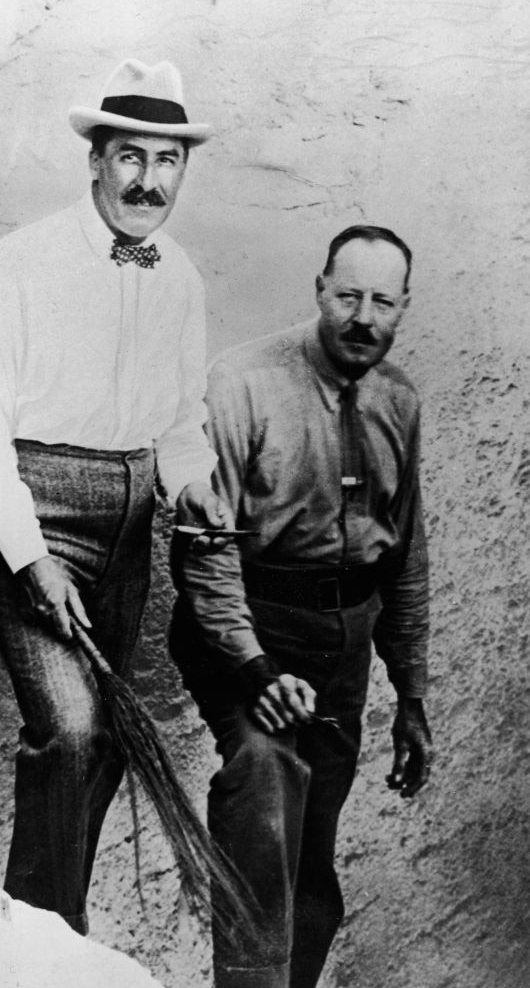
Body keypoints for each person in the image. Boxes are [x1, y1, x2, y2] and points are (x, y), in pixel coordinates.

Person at [0, 58, 232, 933]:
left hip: (132, 517)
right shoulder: (21, 264)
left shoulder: (178, 276)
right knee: (67, 729)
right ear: (94, 160)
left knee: (103, 746)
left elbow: (178, 422)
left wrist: (196, 486)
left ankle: (50, 934)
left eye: (166, 161)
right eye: (130, 157)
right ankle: (35, 949)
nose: (148, 180)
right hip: (37, 504)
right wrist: (27, 557)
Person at [169, 224, 434, 988]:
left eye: (383, 301)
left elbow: (406, 553)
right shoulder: (244, 382)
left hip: (341, 650)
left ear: (403, 308)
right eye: (347, 295)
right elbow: (204, 552)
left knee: (313, 857)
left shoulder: (400, 401)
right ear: (319, 291)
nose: (363, 316)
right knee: (263, 777)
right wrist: (254, 670)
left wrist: (411, 695)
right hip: (246, 628)